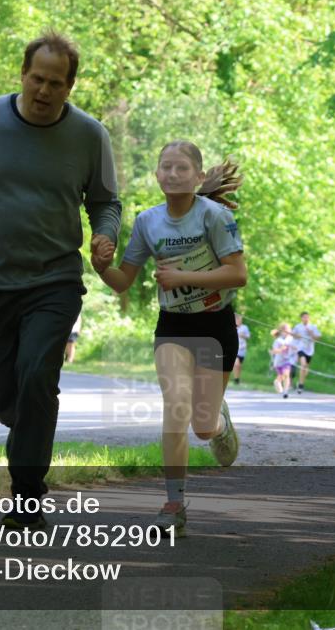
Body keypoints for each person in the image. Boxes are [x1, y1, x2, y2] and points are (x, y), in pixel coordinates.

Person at [0, 30, 121, 532]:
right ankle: (33, 428)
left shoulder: (89, 135)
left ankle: (27, 497)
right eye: (37, 79)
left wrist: (105, 234)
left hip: (53, 280)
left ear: (70, 87)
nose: (44, 91)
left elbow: (104, 201)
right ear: (22, 75)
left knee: (38, 376)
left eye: (56, 83)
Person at [93, 140, 246, 537]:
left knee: (202, 427)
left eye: (182, 168)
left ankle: (219, 422)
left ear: (198, 177)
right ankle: (174, 503)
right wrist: (100, 267)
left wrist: (183, 278)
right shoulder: (148, 221)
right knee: (175, 407)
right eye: (166, 167)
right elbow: (123, 280)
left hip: (215, 326)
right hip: (174, 326)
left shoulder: (214, 217)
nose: (173, 174)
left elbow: (237, 275)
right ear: (157, 175)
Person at [292, 311, 321, 394]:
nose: (306, 319)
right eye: (304, 317)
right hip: (301, 348)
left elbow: (318, 338)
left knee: (305, 369)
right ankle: (301, 385)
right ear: (301, 318)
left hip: (310, 350)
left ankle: (300, 382)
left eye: (307, 317)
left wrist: (311, 333)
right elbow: (292, 335)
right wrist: (297, 336)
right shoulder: (298, 327)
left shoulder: (313, 327)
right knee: (303, 364)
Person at [270, 323, 294, 398]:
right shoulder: (278, 340)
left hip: (287, 360)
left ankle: (285, 391)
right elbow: (274, 351)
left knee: (287, 374)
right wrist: (281, 349)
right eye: (285, 330)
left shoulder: (291, 339)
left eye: (288, 329)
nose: (287, 331)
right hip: (279, 361)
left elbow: (295, 347)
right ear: (282, 331)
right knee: (281, 376)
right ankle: (277, 381)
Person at [232, 313, 250, 385]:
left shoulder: (244, 327)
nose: (240, 321)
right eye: (238, 320)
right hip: (234, 348)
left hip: (242, 349)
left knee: (239, 366)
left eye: (241, 320)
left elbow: (248, 337)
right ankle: (236, 379)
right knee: (236, 364)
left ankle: (237, 378)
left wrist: (242, 335)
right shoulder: (232, 327)